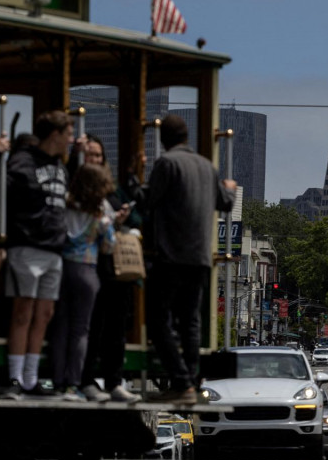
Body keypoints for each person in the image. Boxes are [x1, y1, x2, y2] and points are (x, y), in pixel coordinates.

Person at [144, 114, 236, 403]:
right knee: (190, 322)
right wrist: (230, 187)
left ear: (163, 139)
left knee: (157, 320)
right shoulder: (207, 167)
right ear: (187, 137)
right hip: (200, 259)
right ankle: (193, 384)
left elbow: (148, 202)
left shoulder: (167, 163)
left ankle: (181, 381)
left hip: (171, 257)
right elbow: (225, 202)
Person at [0, 110, 74, 400]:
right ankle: (15, 378)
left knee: (44, 314)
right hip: (27, 246)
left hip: (53, 251)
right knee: (23, 311)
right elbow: (2, 192)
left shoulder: (60, 166)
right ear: (54, 134)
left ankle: (31, 377)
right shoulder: (23, 161)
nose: (71, 139)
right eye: (67, 134)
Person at [78, 136, 143, 403]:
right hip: (89, 264)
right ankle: (86, 379)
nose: (94, 160)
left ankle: (114, 381)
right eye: (89, 155)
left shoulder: (111, 189)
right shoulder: (77, 188)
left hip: (115, 268)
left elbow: (138, 217)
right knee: (92, 326)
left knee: (116, 326)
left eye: (98, 156)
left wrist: (126, 219)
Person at [48, 162, 116, 402]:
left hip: (61, 268)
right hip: (87, 270)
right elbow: (109, 246)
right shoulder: (99, 215)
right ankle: (73, 384)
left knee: (60, 327)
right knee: (80, 331)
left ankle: (57, 380)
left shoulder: (65, 206)